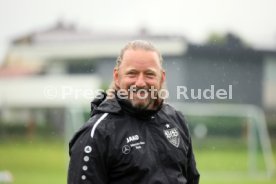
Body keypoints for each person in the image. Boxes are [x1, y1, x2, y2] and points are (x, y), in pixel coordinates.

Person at [67, 40, 200, 184]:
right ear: (117, 77)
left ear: (161, 78)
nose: (140, 83)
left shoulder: (176, 120)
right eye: (132, 74)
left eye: (149, 74)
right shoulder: (96, 133)